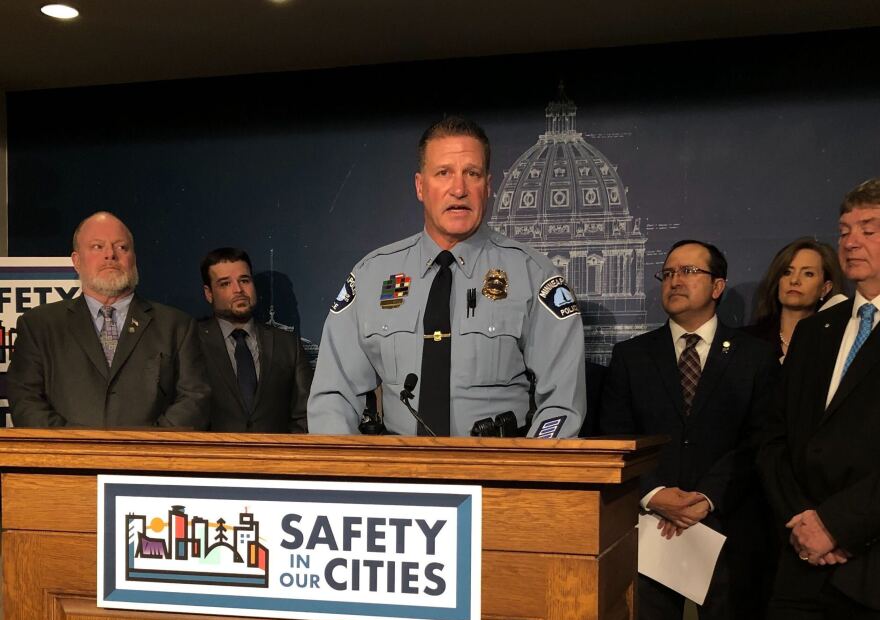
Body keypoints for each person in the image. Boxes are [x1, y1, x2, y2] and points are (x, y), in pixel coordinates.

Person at [308, 116, 586, 437]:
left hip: (499, 473)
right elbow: (333, 395)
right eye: (444, 173)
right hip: (400, 475)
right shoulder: (373, 276)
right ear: (420, 186)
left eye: (472, 173)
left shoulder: (533, 275)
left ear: (488, 186)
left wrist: (527, 478)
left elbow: (561, 405)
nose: (459, 189)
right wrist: (357, 477)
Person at [600, 239, 778, 620]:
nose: (675, 281)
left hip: (727, 524)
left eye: (688, 272)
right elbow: (614, 434)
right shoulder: (631, 356)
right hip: (650, 530)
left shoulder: (756, 356)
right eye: (668, 273)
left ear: (718, 287)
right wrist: (657, 493)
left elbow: (763, 437)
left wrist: (706, 496)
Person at [757, 178, 880, 620]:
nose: (850, 241)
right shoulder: (816, 331)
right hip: (800, 567)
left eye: (869, 229)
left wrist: (837, 526)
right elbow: (772, 439)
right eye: (845, 229)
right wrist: (804, 522)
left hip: (870, 570)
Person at [7, 211, 210, 428]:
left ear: (134, 259)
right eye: (97, 246)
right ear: (76, 261)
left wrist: (144, 449)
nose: (110, 255)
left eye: (122, 247)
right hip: (67, 460)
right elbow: (25, 399)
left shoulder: (176, 326)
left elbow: (194, 399)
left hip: (151, 459)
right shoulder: (39, 325)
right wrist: (78, 450)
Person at [198, 247, 311, 433]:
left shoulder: (288, 345)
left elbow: (305, 414)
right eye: (225, 284)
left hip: (279, 459)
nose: (239, 290)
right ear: (209, 293)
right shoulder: (191, 342)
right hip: (212, 459)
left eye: (244, 280)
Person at [745, 237, 846, 361]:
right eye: (787, 272)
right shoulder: (747, 341)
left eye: (808, 273)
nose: (794, 280)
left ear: (825, 288)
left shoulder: (836, 345)